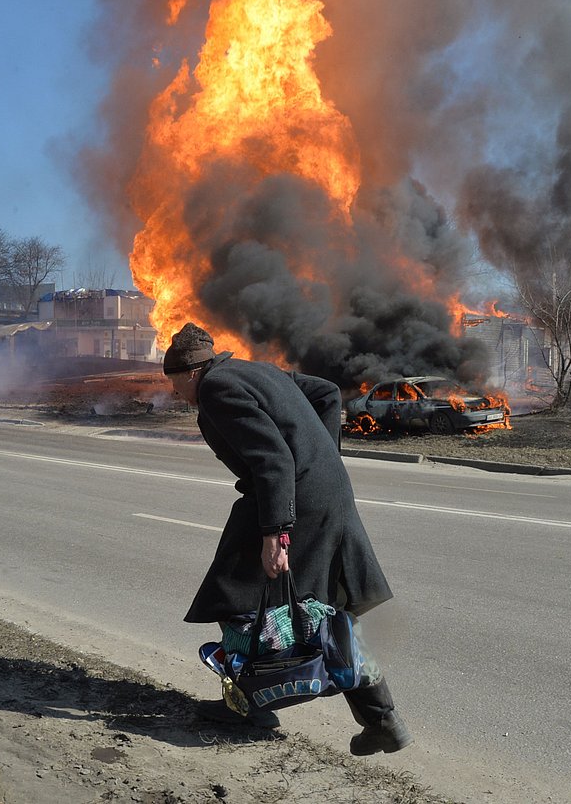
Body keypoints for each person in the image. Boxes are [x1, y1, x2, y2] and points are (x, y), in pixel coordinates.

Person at [163, 322, 413, 756]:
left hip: (290, 503)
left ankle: (250, 705)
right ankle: (383, 720)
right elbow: (328, 393)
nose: (173, 395)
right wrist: (321, 457)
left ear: (189, 373)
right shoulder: (258, 372)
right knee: (331, 608)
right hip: (327, 493)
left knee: (234, 592)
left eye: (173, 384)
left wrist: (275, 533)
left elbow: (274, 460)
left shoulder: (216, 388)